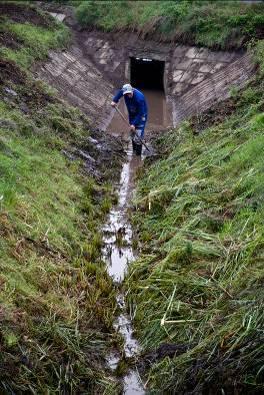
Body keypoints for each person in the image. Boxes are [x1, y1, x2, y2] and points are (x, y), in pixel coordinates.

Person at [111, 83, 148, 155]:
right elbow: (120, 92)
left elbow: (141, 113)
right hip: (132, 114)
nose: (128, 95)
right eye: (127, 94)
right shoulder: (124, 92)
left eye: (130, 94)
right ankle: (134, 152)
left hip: (141, 115)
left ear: (132, 91)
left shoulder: (139, 98)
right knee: (133, 133)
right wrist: (114, 100)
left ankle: (138, 156)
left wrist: (134, 124)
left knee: (138, 135)